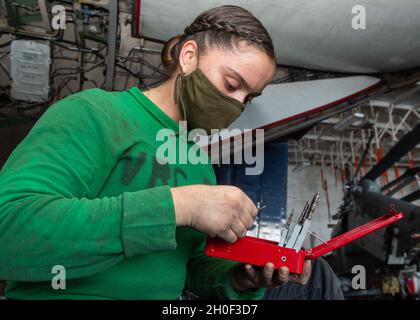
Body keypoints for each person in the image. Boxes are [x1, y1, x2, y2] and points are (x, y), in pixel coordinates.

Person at [0, 5, 339, 300]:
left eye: (248, 97)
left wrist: (238, 278)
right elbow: (10, 232)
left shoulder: (201, 168)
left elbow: (185, 266)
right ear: (188, 57)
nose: (237, 105)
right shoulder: (95, 113)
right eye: (231, 84)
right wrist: (180, 205)